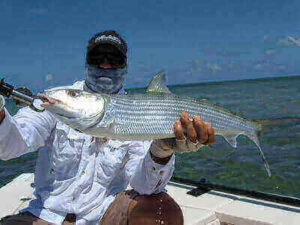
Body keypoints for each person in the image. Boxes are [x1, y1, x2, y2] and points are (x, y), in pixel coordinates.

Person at [0, 30, 215, 225]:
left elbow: (145, 187)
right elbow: (10, 146)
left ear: (125, 67)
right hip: (45, 215)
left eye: (114, 60)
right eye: (97, 59)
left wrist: (161, 151)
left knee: (161, 209)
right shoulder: (57, 100)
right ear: (86, 64)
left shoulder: (142, 113)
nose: (105, 65)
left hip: (104, 216)